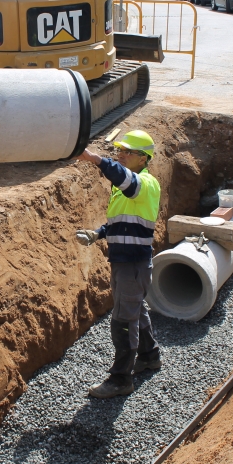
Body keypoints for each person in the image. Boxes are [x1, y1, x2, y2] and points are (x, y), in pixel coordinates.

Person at [74, 130, 162, 398]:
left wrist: (95, 159)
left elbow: (126, 181)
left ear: (144, 158)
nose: (121, 155)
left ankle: (121, 379)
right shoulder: (126, 189)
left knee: (124, 319)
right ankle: (149, 355)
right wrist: (98, 233)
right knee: (136, 310)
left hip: (133, 264)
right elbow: (122, 222)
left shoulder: (145, 184)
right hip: (126, 263)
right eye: (119, 151)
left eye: (127, 152)